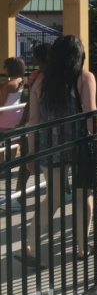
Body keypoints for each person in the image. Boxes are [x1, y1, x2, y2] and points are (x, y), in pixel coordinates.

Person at [18, 36, 97, 267]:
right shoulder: (84, 78)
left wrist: (31, 152)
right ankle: (82, 248)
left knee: (52, 197)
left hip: (49, 145)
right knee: (83, 195)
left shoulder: (40, 81)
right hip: (80, 144)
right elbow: (90, 114)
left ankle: (30, 247)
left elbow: (34, 120)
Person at [10, 44, 49, 210]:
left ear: (38, 58)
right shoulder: (59, 75)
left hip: (35, 123)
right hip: (52, 123)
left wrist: (23, 121)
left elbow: (31, 103)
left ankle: (19, 197)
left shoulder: (36, 76)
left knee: (26, 159)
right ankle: (65, 190)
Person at [0, 57, 25, 128]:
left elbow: (1, 103)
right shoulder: (20, 81)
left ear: (10, 68)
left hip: (6, 113)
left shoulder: (7, 85)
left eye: (5, 67)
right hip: (18, 111)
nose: (4, 69)